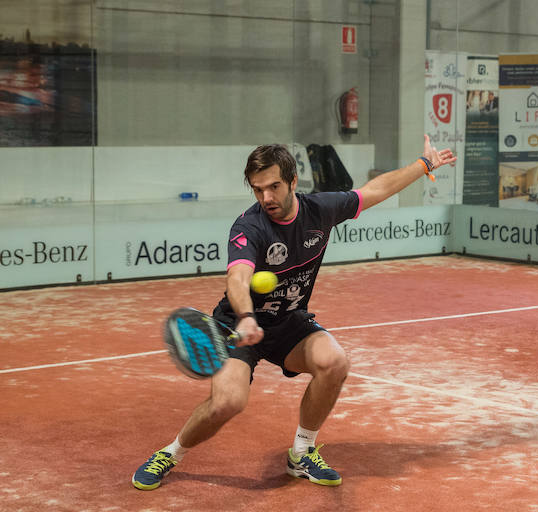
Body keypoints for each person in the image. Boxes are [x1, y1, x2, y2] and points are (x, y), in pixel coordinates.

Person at [133, 136, 456, 490]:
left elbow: (374, 191)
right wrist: (246, 317)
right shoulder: (249, 227)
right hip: (239, 325)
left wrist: (424, 165)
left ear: (292, 181)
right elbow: (237, 278)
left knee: (335, 362)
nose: (266, 198)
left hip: (288, 321)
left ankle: (301, 454)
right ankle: (171, 452)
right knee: (228, 402)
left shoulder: (321, 210)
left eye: (273, 187)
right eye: (258, 190)